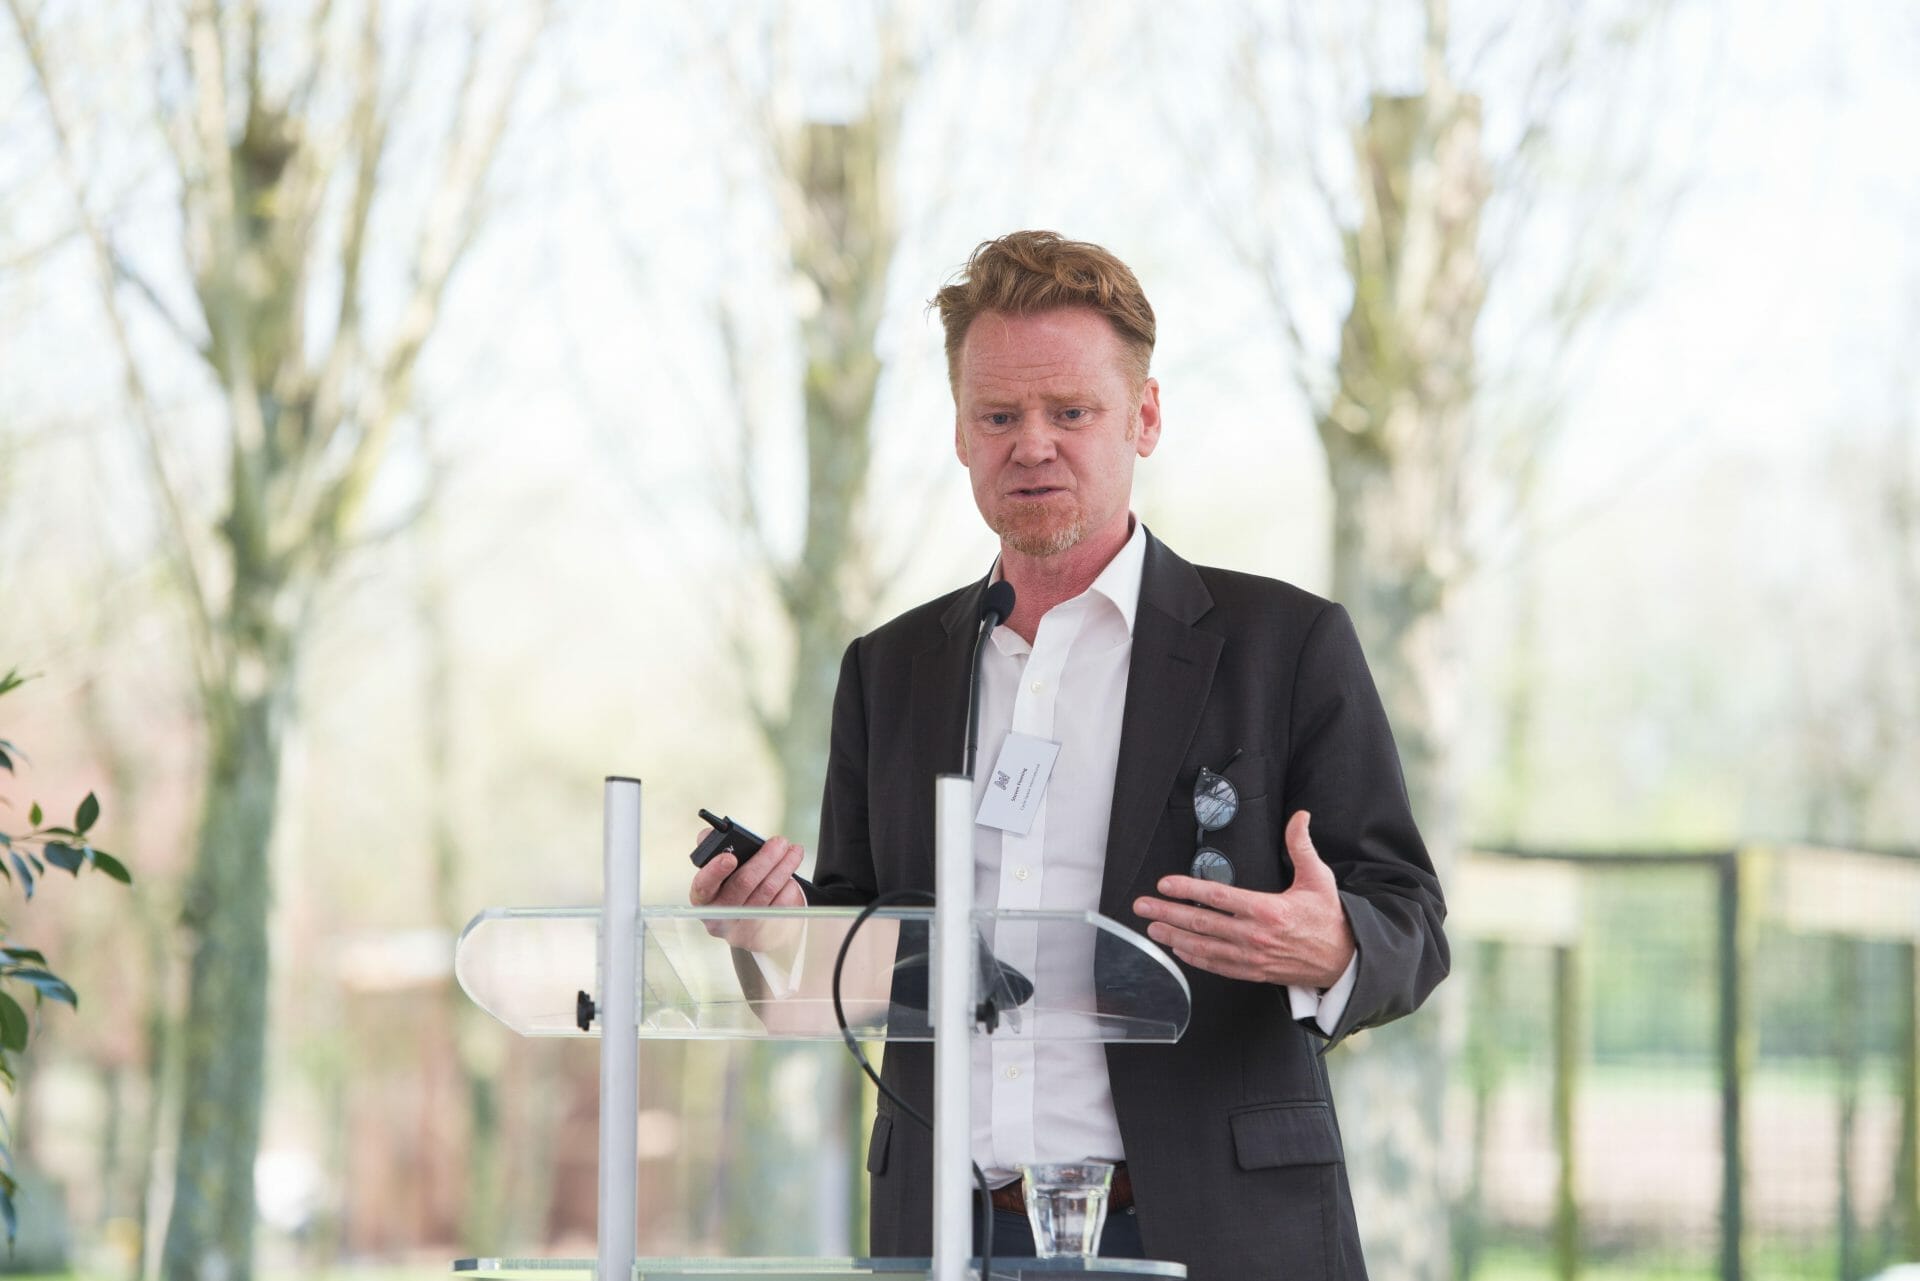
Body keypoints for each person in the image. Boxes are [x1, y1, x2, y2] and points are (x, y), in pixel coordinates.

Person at [688, 230, 1448, 1281]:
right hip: (948, 1235)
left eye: (1071, 412)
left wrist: (1332, 945)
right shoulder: (889, 669)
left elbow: (1411, 919)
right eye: (998, 416)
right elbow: (864, 955)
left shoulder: (1286, 644)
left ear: (1145, 417)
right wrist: (776, 933)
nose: (1031, 444)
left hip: (1214, 1233)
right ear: (960, 433)